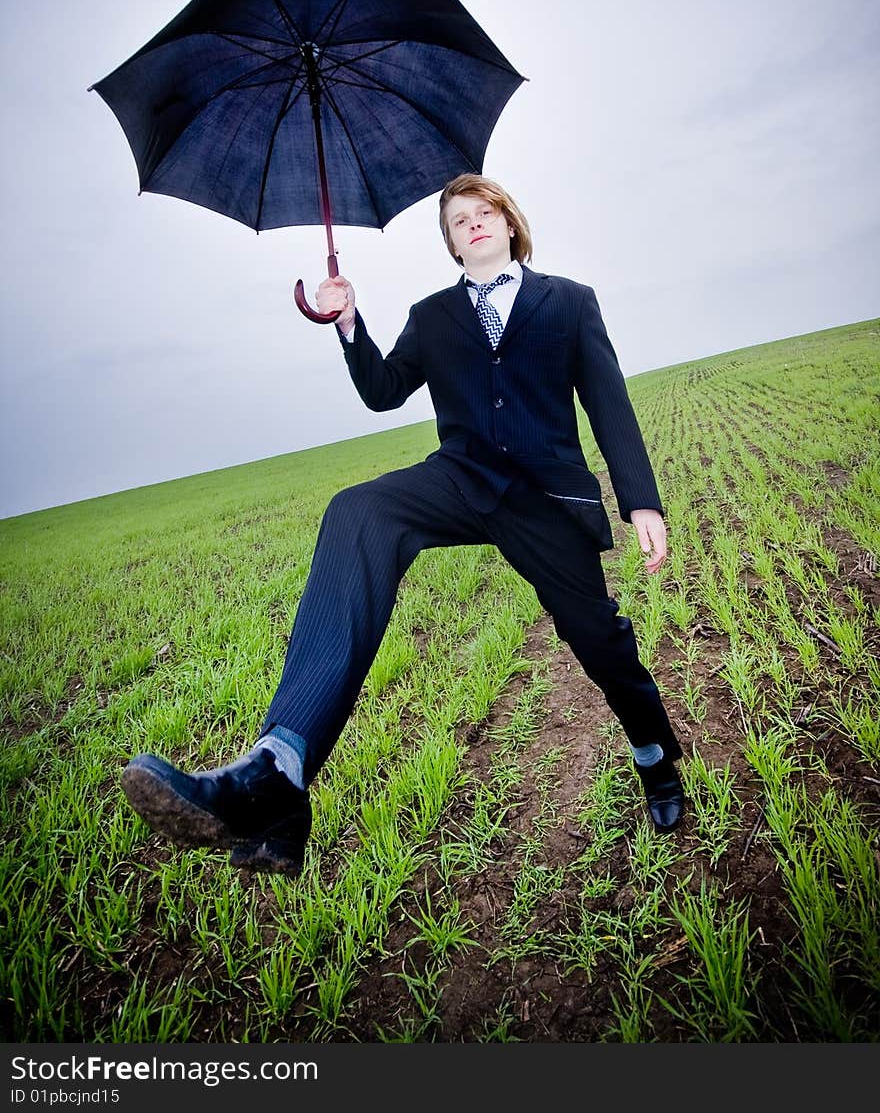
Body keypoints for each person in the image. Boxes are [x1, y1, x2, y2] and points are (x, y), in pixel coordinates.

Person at [122, 174, 684, 876]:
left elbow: (608, 402)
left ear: (510, 224)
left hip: (545, 496)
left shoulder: (568, 302)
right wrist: (350, 323)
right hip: (460, 479)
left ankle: (654, 753)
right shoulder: (433, 316)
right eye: (458, 220)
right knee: (356, 510)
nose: (473, 223)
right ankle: (279, 773)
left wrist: (641, 502)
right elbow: (383, 393)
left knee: (599, 641)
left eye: (485, 212)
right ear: (449, 243)